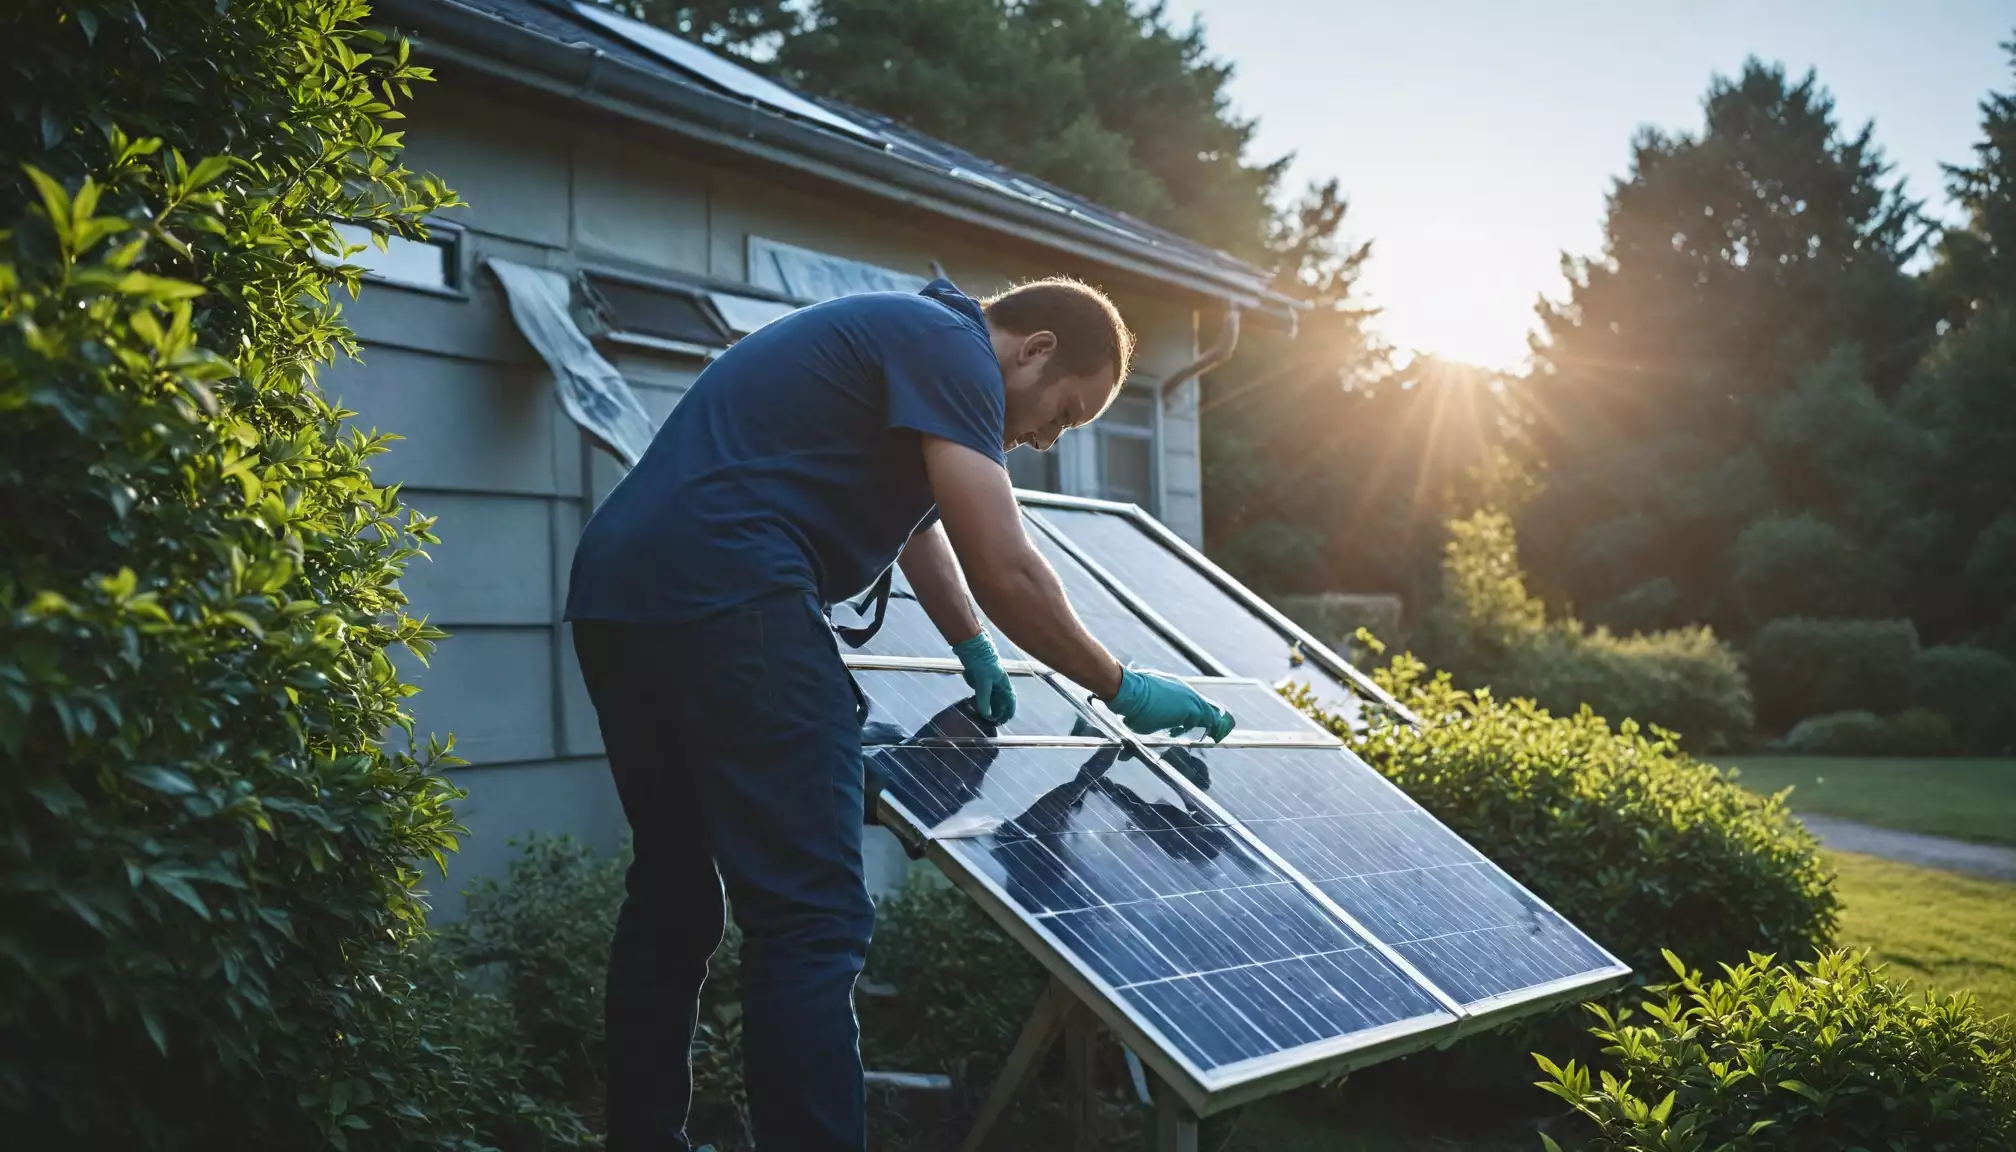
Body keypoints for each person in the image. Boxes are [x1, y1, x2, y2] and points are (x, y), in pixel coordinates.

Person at [564, 275, 1236, 1152]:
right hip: (734, 592)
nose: (1045, 440)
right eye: (1063, 414)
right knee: (812, 918)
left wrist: (971, 645)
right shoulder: (954, 350)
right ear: (1033, 349)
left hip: (618, 600)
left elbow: (922, 529)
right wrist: (1120, 684)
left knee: (674, 899)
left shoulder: (906, 343)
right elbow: (1007, 567)